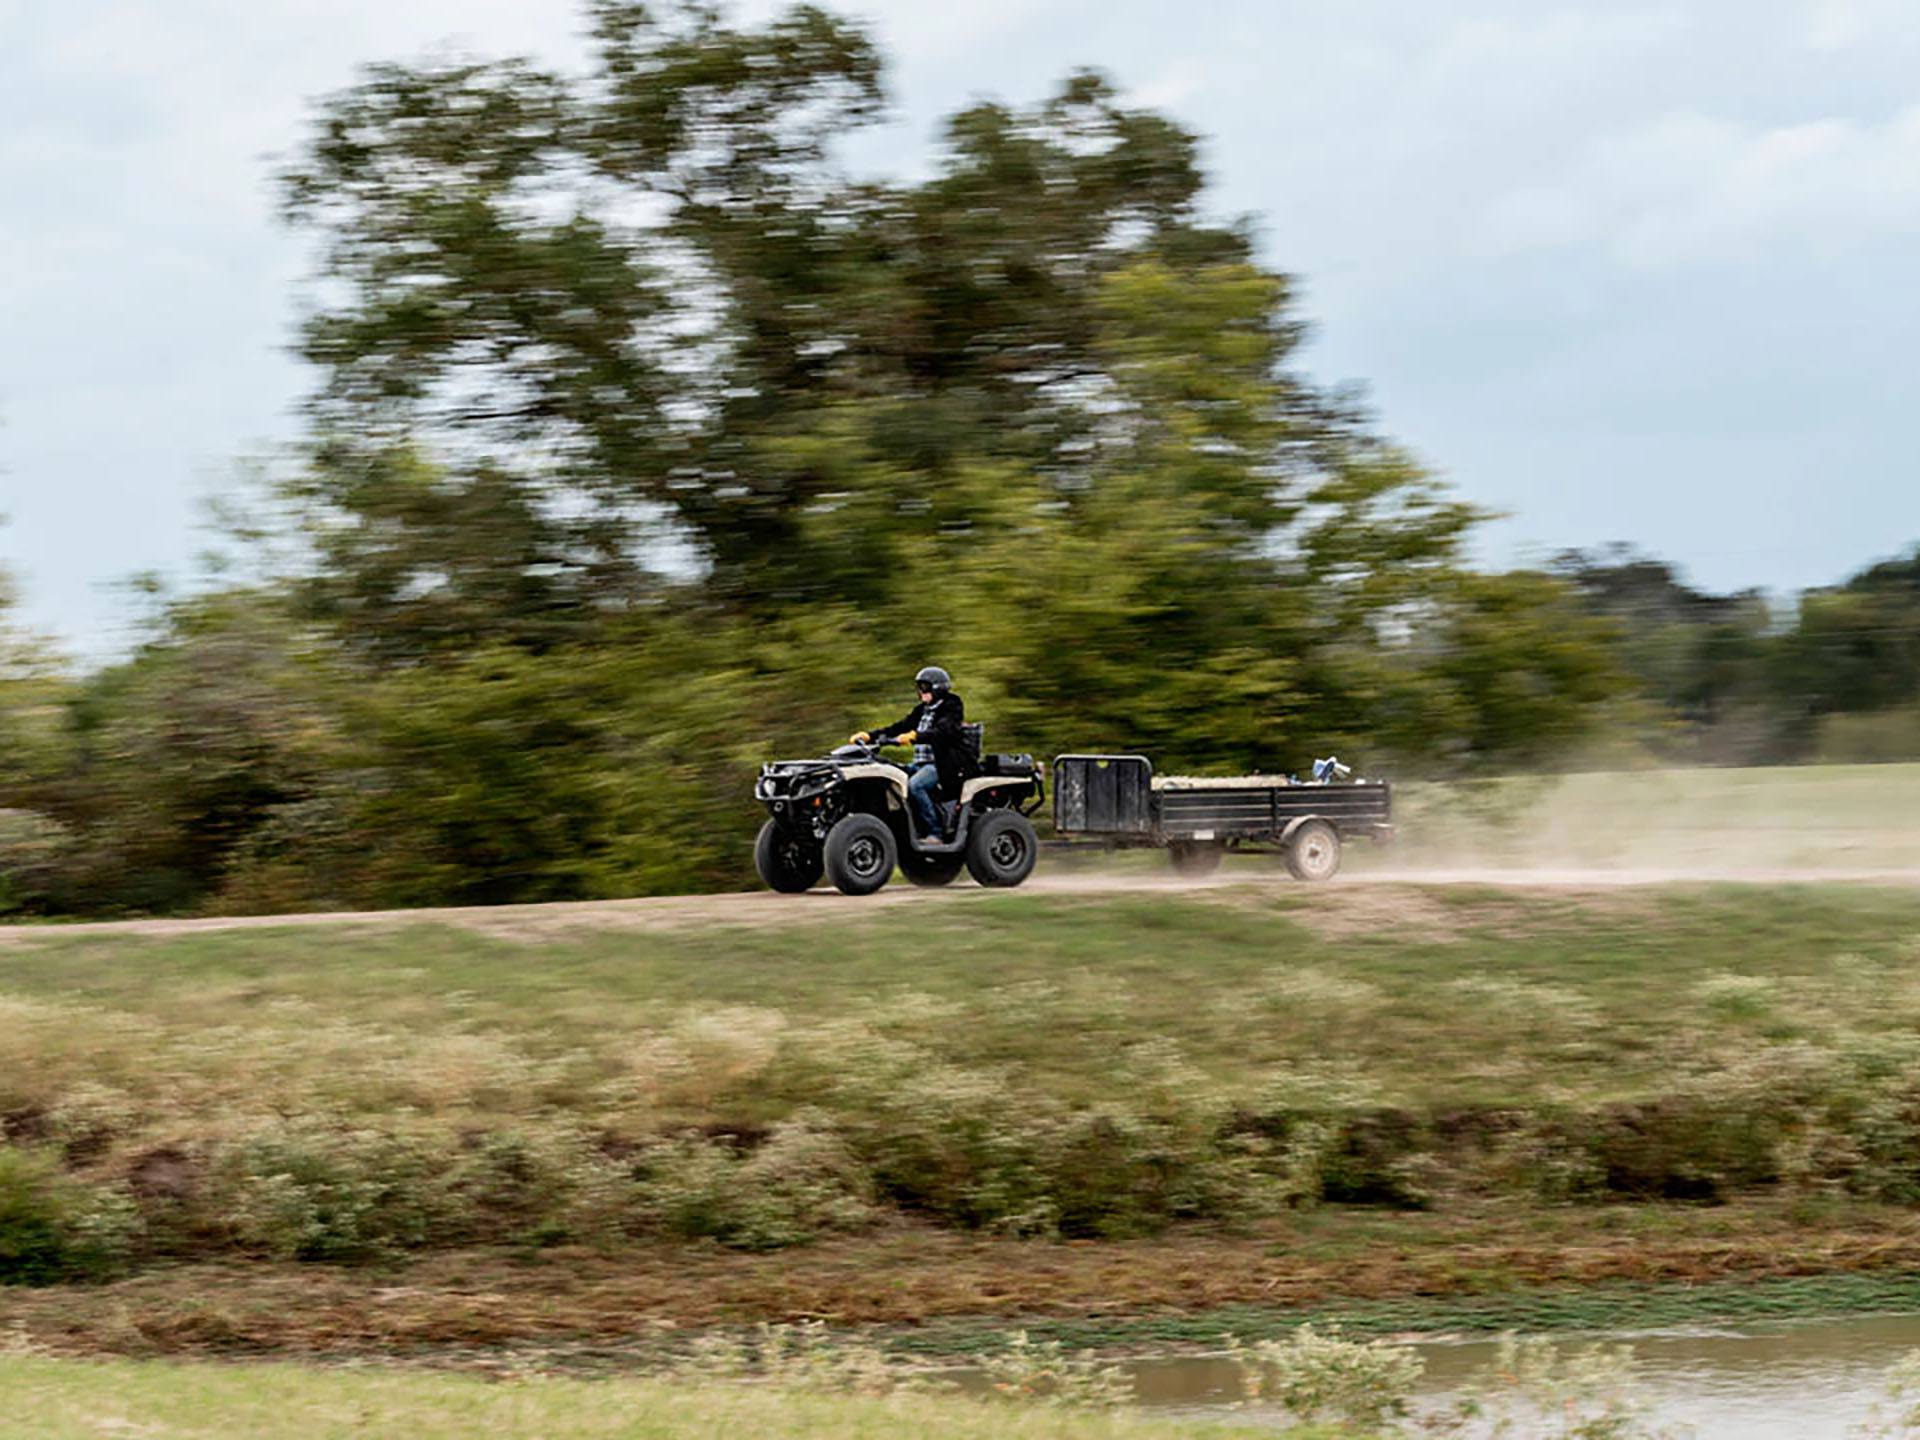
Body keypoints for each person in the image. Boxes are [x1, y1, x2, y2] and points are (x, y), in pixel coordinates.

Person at [852, 666, 976, 839]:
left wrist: (915, 736)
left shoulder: (952, 706)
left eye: (925, 687)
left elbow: (943, 731)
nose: (921, 691)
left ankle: (935, 832)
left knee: (915, 786)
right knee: (889, 777)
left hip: (941, 766)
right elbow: (900, 727)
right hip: (919, 765)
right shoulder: (922, 710)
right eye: (919, 687)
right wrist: (869, 736)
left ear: (938, 688)